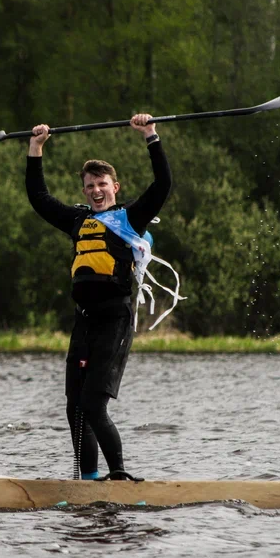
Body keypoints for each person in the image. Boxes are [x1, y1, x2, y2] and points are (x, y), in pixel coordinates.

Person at [26, 114, 172, 481]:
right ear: (84, 191)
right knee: (74, 407)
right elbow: (39, 198)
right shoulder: (76, 220)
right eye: (90, 185)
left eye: (102, 184)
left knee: (93, 404)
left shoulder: (131, 219)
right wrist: (35, 149)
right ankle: (89, 482)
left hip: (115, 320)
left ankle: (119, 476)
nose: (96, 190)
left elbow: (162, 185)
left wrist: (150, 136)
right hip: (85, 321)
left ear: (115, 187)